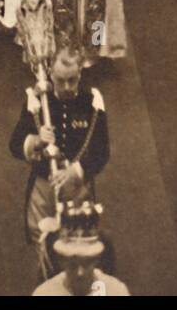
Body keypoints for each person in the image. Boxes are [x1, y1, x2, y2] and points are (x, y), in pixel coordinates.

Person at [9, 45, 110, 258]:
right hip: (43, 189)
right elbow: (15, 144)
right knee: (44, 247)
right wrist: (35, 141)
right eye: (60, 80)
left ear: (80, 73)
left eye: (72, 80)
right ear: (50, 74)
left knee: (80, 244)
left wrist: (75, 171)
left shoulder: (91, 101)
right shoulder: (38, 100)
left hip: (78, 190)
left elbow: (101, 151)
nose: (66, 86)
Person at [33, 200, 129, 297]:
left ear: (96, 260)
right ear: (62, 261)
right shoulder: (44, 293)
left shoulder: (116, 291)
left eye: (86, 263)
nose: (80, 273)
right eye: (73, 264)